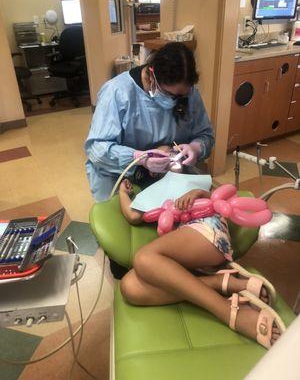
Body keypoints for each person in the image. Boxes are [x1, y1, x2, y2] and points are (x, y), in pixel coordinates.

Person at [118, 179, 285, 350]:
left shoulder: (191, 174)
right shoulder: (151, 189)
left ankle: (228, 312)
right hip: (186, 256)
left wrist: (199, 192)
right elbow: (133, 215)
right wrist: (123, 194)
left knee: (144, 258)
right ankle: (220, 282)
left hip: (206, 231)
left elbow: (224, 198)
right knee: (130, 288)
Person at [85, 42, 214, 202]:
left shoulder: (189, 94)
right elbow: (95, 149)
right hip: (119, 174)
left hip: (170, 174)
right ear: (152, 75)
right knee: (129, 219)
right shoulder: (117, 92)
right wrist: (139, 158)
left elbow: (206, 135)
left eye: (182, 95)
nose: (176, 101)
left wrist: (195, 148)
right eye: (170, 94)